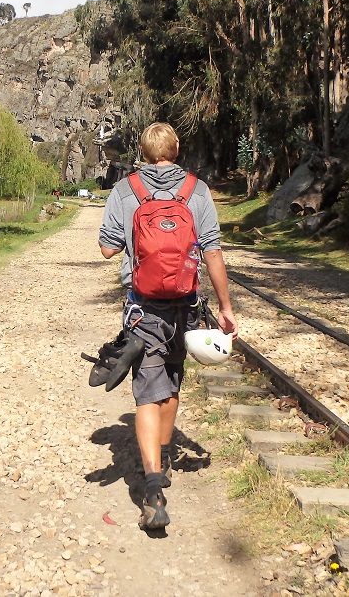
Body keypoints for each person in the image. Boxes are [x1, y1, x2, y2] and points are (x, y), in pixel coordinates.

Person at [98, 122, 236, 530]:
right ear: (176, 148)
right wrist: (226, 307)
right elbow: (212, 252)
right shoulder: (197, 190)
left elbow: (107, 249)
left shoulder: (126, 190)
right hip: (185, 307)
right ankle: (164, 458)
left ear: (143, 152)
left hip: (143, 309)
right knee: (172, 381)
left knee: (146, 393)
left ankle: (153, 489)